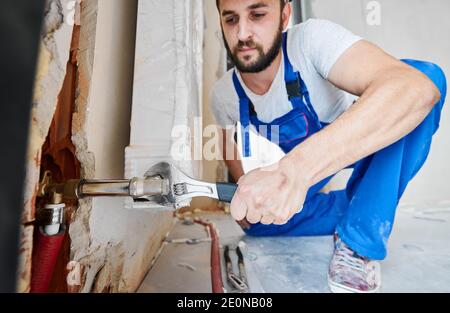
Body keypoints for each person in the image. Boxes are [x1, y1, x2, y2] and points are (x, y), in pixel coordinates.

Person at [210, 0, 447, 292]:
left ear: (284, 15)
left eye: (257, 15)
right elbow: (227, 143)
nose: (243, 33)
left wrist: (294, 172)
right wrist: (243, 195)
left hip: (362, 143)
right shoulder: (223, 95)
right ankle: (361, 205)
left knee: (424, 79)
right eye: (231, 19)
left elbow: (414, 86)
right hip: (307, 161)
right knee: (259, 223)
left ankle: (358, 241)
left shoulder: (310, 42)